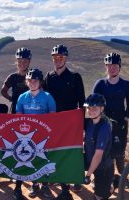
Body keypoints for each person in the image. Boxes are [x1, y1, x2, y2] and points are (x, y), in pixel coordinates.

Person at [43, 44, 86, 200]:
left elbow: (82, 103)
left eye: (60, 57)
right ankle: (59, 179)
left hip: (71, 124)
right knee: (55, 152)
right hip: (53, 123)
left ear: (66, 58)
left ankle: (76, 179)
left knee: (72, 152)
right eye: (55, 57)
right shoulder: (48, 77)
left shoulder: (75, 77)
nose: (58, 60)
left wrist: (81, 125)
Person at [14, 68, 56, 200]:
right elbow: (18, 117)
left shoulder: (48, 97)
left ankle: (45, 185)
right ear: (26, 82)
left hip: (43, 136)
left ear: (40, 82)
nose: (32, 83)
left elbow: (53, 117)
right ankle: (34, 184)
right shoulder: (22, 97)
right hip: (26, 136)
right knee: (30, 159)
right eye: (30, 80)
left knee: (43, 159)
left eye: (35, 81)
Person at [93, 52, 129, 188]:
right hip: (104, 124)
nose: (112, 68)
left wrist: (126, 117)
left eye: (115, 65)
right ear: (106, 67)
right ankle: (104, 179)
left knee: (119, 153)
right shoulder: (100, 84)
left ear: (119, 67)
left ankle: (122, 178)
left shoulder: (126, 85)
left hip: (120, 124)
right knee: (104, 152)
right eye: (109, 65)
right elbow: (94, 103)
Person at [83, 93, 114, 200]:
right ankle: (108, 185)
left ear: (102, 109)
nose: (91, 111)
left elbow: (98, 155)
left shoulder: (103, 129)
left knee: (99, 196)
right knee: (99, 187)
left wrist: (88, 175)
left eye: (94, 108)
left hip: (103, 167)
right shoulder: (90, 122)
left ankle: (110, 185)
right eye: (89, 108)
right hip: (94, 165)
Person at [1, 47, 31, 113]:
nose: (22, 64)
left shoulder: (33, 76)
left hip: (30, 109)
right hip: (15, 110)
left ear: (29, 62)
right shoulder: (12, 77)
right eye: (20, 61)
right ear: (16, 62)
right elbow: (3, 91)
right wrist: (11, 99)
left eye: (25, 61)